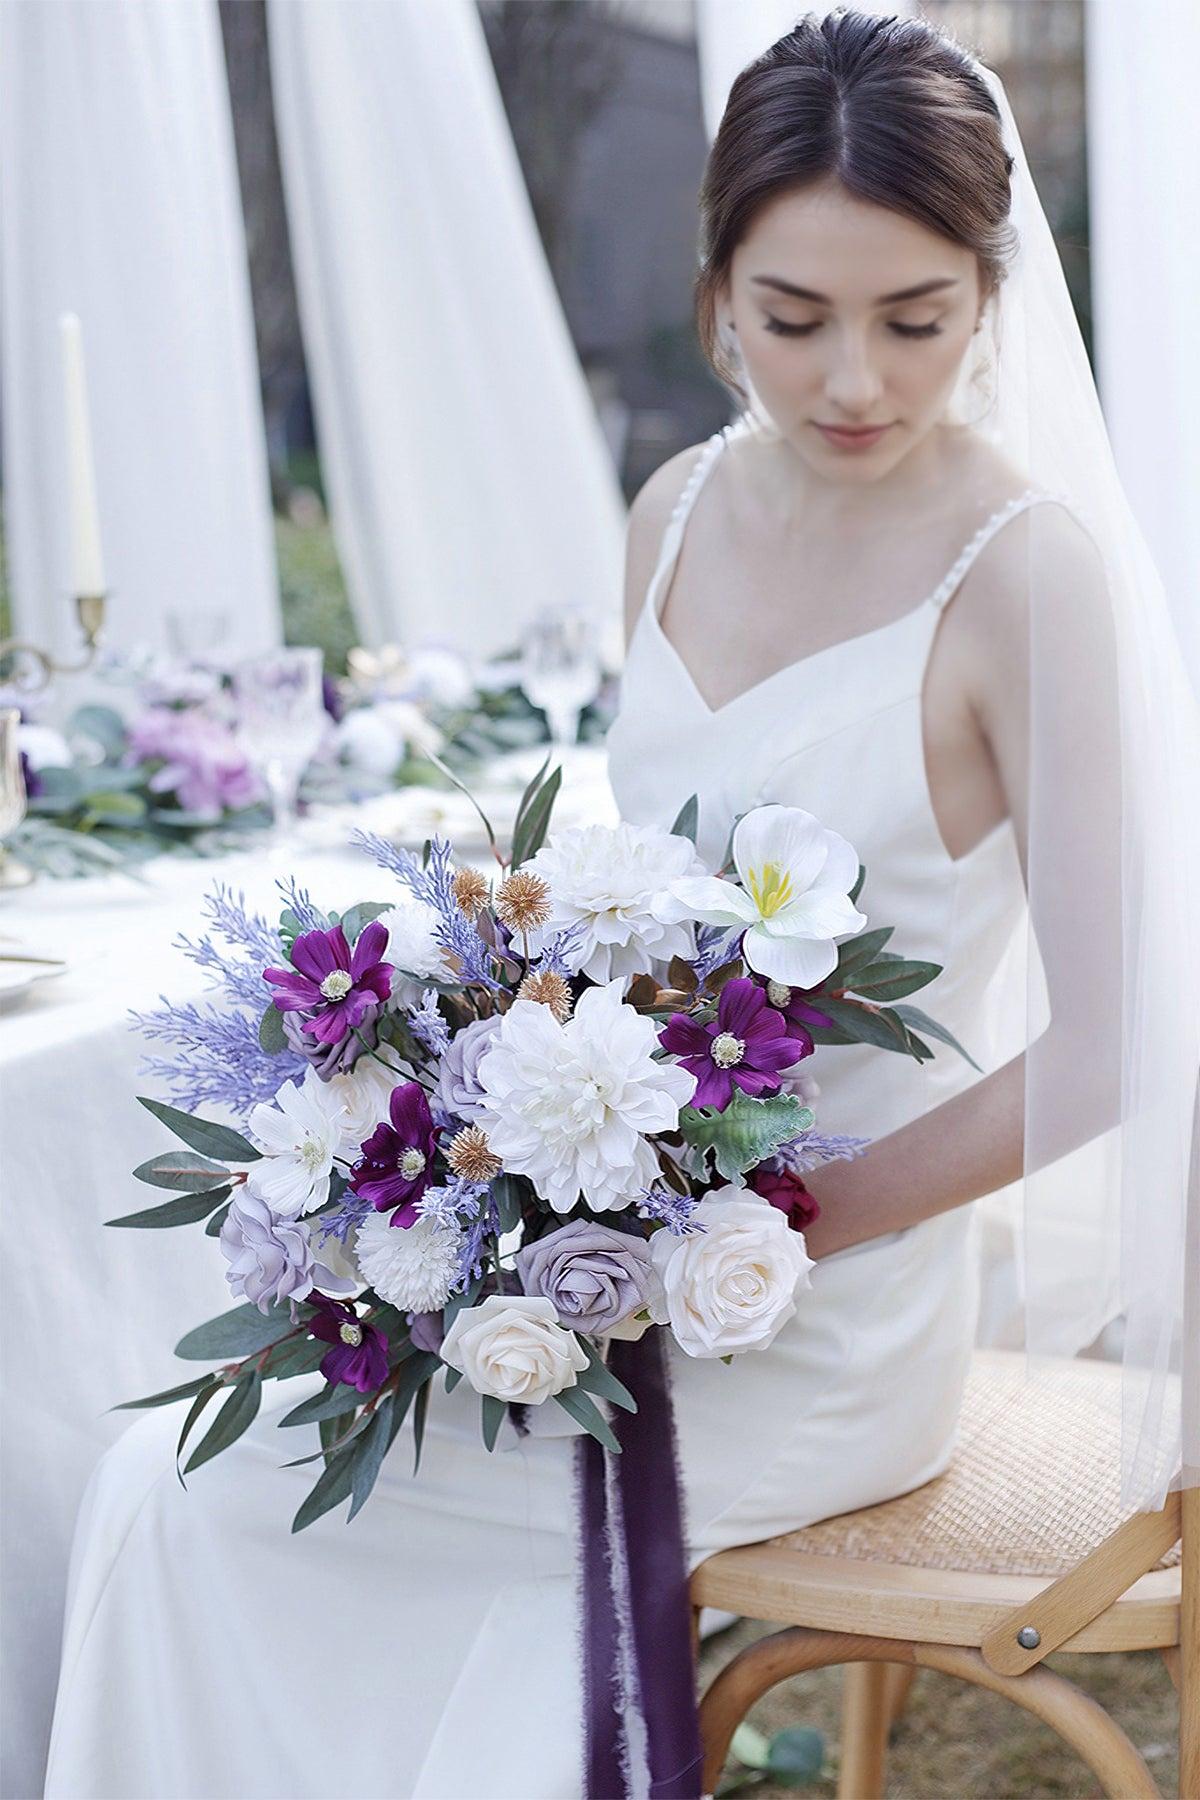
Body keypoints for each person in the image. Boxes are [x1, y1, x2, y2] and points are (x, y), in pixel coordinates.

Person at [44, 12, 1199, 1799]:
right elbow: (626, 894)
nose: (855, 382)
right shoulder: (670, 509)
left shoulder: (1025, 577)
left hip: (813, 1312)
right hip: (601, 1261)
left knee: (242, 1520)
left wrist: (782, 1220)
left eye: (916, 319)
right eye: (796, 316)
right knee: (162, 1492)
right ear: (718, 287)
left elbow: (1123, 1047)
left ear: (989, 294)